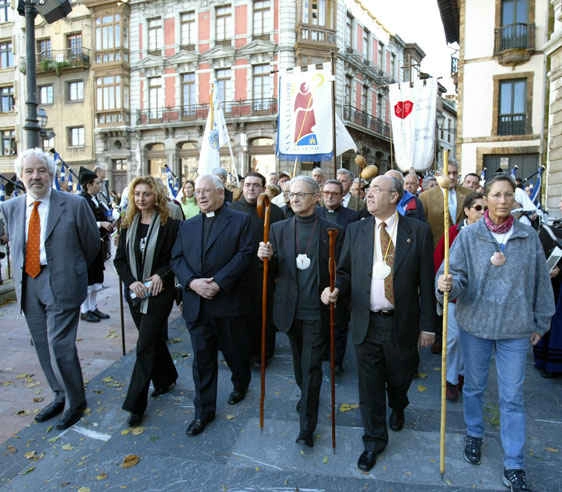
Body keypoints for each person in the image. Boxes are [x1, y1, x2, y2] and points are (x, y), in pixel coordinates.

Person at [437, 175, 554, 492]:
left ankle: (514, 464)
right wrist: (446, 285)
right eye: (497, 195)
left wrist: (541, 323)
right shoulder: (469, 236)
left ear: (515, 200)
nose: (503, 200)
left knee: (512, 397)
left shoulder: (528, 238)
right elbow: (454, 276)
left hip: (515, 330)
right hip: (475, 325)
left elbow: (542, 283)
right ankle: (474, 433)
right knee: (474, 387)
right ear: (485, 199)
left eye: (509, 195)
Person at [321, 175, 436, 472]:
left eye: (376, 190)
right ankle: (373, 440)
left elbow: (425, 281)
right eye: (368, 190)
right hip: (366, 321)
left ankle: (398, 405)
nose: (368, 195)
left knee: (400, 378)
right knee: (369, 387)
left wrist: (428, 326)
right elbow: (344, 271)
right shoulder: (356, 230)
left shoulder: (418, 232)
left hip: (402, 323)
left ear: (395, 196)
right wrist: (336, 287)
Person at [0, 148, 100, 430]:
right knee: (42, 345)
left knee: (60, 344)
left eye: (41, 170)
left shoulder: (75, 204)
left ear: (51, 174)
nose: (36, 176)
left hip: (62, 282)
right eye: (29, 171)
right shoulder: (11, 208)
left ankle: (76, 401)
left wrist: (73, 270)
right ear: (21, 176)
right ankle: (59, 395)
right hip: (28, 283)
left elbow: (92, 245)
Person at [258, 176, 343, 448]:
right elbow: (270, 272)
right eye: (291, 194)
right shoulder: (278, 229)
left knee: (311, 367)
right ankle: (305, 394)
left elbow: (342, 270)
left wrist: (334, 288)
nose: (293, 199)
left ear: (315, 198)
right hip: (289, 311)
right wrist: (264, 259)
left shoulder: (332, 230)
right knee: (299, 367)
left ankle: (307, 425)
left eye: (300, 194)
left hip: (316, 312)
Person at [171, 174, 254, 437]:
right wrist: (192, 283)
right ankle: (203, 412)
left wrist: (218, 283)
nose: (201, 195)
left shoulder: (241, 220)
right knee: (202, 361)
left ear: (221, 193)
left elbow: (245, 255)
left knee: (235, 354)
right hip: (197, 305)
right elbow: (177, 258)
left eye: (207, 191)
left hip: (228, 303)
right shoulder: (188, 225)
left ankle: (241, 382)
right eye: (198, 191)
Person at [114, 176, 180, 427]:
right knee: (151, 340)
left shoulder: (170, 225)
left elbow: (176, 258)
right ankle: (166, 378)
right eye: (137, 194)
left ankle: (136, 404)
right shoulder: (127, 222)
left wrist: (160, 275)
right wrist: (131, 281)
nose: (141, 199)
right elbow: (119, 259)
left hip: (159, 293)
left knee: (144, 346)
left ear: (157, 196)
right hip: (135, 293)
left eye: (147, 194)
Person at [433, 192, 487, 401]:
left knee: (471, 340)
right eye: (478, 208)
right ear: (466, 210)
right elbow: (440, 261)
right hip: (456, 297)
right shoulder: (453, 234)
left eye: (485, 208)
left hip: (478, 298)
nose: (482, 213)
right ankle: (450, 378)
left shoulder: (489, 234)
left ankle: (463, 374)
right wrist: (444, 286)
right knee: (453, 339)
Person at [230, 172, 285, 365]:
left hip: (265, 271)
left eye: (256, 185)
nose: (251, 189)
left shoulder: (275, 211)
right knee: (241, 315)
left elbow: (280, 241)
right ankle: (243, 353)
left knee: (263, 314)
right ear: (242, 188)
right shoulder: (232, 210)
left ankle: (263, 354)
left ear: (263, 188)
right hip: (239, 273)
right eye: (247, 185)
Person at [317, 179, 359, 373]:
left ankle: (337, 360)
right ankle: (324, 353)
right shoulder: (315, 214)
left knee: (339, 322)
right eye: (326, 192)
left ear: (342, 196)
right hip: (319, 274)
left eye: (334, 193)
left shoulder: (352, 216)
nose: (330, 196)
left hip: (341, 273)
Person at [78, 167, 112, 322]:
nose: (99, 186)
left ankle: (93, 307)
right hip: (87, 246)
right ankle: (84, 310)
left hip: (99, 243)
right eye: (97, 183)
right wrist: (100, 224)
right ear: (88, 185)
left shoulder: (96, 199)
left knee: (97, 276)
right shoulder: (81, 200)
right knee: (88, 278)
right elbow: (83, 223)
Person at [419, 162, 471, 247]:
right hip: (437, 247)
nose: (452, 177)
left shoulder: (468, 194)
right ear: (439, 175)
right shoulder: (425, 197)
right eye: (448, 173)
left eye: (454, 173)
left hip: (464, 246)